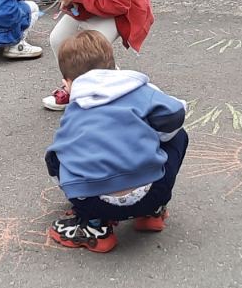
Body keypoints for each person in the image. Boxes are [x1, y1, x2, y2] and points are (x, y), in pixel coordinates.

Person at [44, 30, 187, 253]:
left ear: (67, 84)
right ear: (114, 67)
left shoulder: (74, 113)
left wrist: (71, 185)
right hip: (152, 192)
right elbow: (176, 113)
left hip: (94, 202)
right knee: (179, 135)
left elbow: (56, 157)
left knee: (58, 155)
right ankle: (152, 213)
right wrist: (153, 137)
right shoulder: (138, 89)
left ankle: (95, 227)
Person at [30, 0, 155, 111]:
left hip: (121, 12)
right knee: (57, 39)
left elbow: (120, 4)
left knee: (94, 46)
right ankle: (74, 86)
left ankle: (111, 88)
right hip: (85, 5)